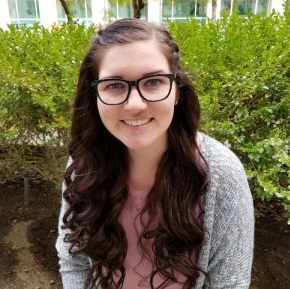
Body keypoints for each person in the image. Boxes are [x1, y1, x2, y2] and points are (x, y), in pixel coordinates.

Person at [56, 18, 254, 289]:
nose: (134, 104)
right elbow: (74, 262)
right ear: (95, 95)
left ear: (176, 91)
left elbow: (230, 283)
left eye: (153, 82)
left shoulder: (222, 175)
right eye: (114, 85)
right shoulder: (84, 166)